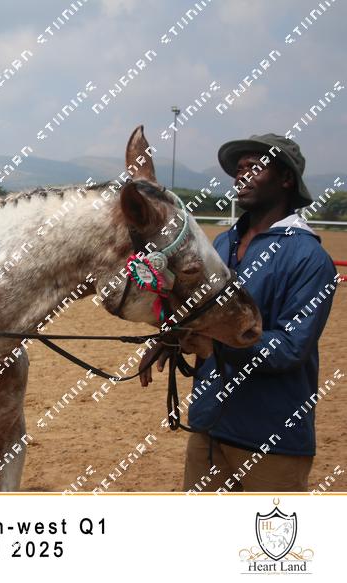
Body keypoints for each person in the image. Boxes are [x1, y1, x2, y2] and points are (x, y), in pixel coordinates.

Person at [141, 134, 337, 491]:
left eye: (255, 167)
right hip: (209, 428)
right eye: (239, 168)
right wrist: (171, 339)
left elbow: (291, 347)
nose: (241, 175)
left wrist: (213, 341)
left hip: (270, 438)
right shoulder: (221, 244)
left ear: (286, 179)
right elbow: (198, 312)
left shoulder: (309, 258)